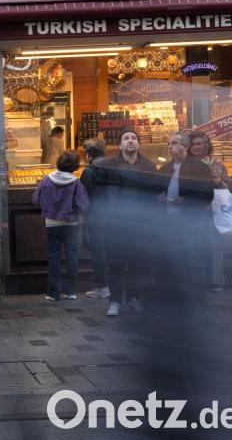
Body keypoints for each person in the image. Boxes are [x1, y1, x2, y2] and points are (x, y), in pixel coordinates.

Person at [93, 129, 157, 317]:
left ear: (138, 143)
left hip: (141, 223)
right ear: (120, 145)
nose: (130, 141)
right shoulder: (108, 165)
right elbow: (99, 191)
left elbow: (154, 191)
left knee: (139, 263)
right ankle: (114, 301)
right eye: (126, 138)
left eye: (134, 138)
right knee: (116, 263)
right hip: (116, 223)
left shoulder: (148, 165)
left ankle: (133, 298)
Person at [155, 132, 214, 303]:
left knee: (192, 256)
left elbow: (206, 194)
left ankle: (195, 295)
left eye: (174, 143)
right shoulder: (165, 169)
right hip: (168, 221)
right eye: (168, 144)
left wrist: (185, 201)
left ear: (185, 147)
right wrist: (159, 198)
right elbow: (157, 190)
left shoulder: (199, 168)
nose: (170, 147)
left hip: (190, 221)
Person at [32, 150, 89, 302]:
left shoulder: (46, 180)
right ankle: (71, 291)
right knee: (72, 256)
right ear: (75, 166)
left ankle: (53, 292)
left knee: (54, 257)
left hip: (51, 223)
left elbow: (36, 200)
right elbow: (83, 205)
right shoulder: (76, 182)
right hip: (71, 223)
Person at [186, 130, 229, 292]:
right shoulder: (183, 164)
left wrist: (218, 182)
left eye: (200, 143)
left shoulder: (217, 164)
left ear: (207, 146)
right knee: (191, 246)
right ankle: (196, 282)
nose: (197, 147)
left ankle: (215, 282)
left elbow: (227, 186)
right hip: (190, 210)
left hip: (213, 211)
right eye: (193, 144)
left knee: (213, 246)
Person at [80, 138, 110, 299]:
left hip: (95, 216)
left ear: (89, 155)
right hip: (113, 216)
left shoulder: (89, 171)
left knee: (98, 251)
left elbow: (83, 196)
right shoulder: (114, 167)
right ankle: (114, 284)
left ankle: (102, 286)